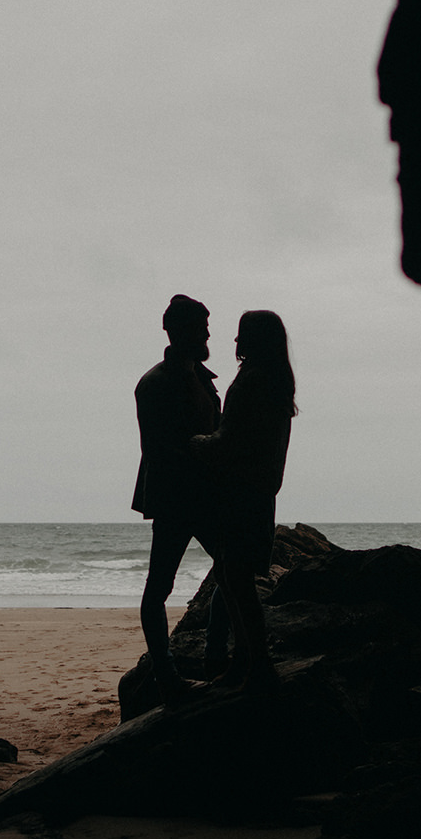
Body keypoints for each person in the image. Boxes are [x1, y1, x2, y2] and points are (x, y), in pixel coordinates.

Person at [192, 309, 296, 694]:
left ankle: (255, 665)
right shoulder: (277, 381)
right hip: (261, 491)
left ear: (253, 340)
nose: (234, 343)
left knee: (234, 578)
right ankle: (245, 662)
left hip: (240, 492)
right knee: (233, 576)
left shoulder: (252, 381)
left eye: (240, 335)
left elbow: (229, 441)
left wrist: (195, 442)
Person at [131, 294, 223, 705]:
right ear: (177, 331)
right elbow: (158, 449)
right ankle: (167, 674)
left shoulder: (202, 378)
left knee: (233, 567)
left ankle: (216, 658)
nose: (207, 333)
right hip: (175, 498)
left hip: (204, 495)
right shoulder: (155, 384)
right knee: (158, 589)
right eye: (201, 326)